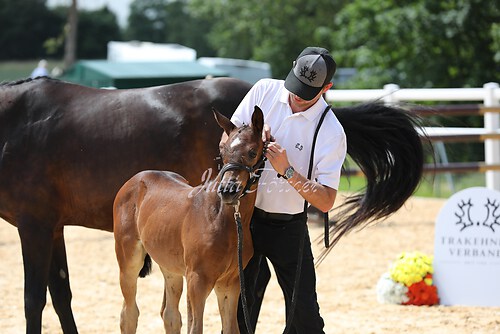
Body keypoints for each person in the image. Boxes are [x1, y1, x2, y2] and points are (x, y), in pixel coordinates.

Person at [227, 47, 347, 333]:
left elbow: (327, 201)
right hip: (248, 220)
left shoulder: (332, 131)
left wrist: (288, 171)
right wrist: (252, 137)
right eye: (296, 85)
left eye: (306, 92)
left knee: (305, 317)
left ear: (327, 87)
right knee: (239, 312)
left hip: (289, 227)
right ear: (293, 67)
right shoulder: (263, 90)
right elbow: (228, 135)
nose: (296, 96)